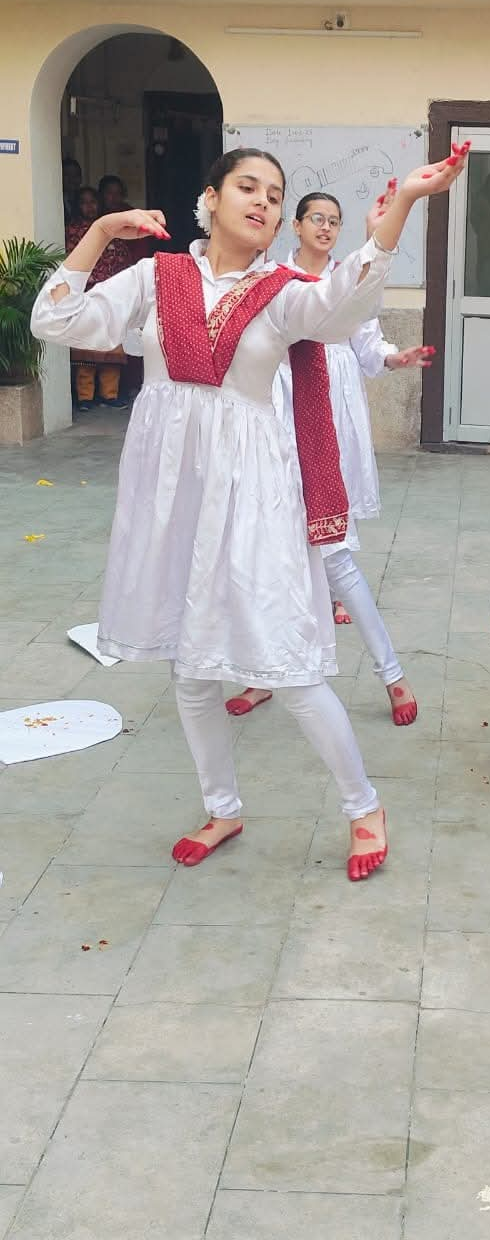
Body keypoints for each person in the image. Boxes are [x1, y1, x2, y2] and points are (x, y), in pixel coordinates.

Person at [32, 144, 467, 876]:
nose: (262, 202)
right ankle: (222, 810)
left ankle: (364, 806)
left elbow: (345, 305)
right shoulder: (155, 276)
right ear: (212, 196)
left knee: (289, 665)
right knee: (192, 670)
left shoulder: (286, 291)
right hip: (173, 496)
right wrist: (104, 231)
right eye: (247, 187)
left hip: (255, 496)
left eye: (274, 193)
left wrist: (404, 206)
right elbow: (58, 320)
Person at [224, 186, 433, 726]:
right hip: (272, 424)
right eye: (316, 218)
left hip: (326, 423)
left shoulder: (347, 280)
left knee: (335, 555)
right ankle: (261, 673)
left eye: (334, 221)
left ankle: (393, 675)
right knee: (264, 559)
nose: (324, 227)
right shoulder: (269, 281)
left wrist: (393, 356)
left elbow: (368, 344)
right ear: (295, 224)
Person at [65, 185, 133, 411]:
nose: (89, 206)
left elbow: (125, 263)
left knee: (110, 346)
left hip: (112, 296)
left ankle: (109, 394)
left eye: (92, 201)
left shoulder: (111, 229)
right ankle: (86, 397)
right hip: (84, 295)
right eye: (84, 202)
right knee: (86, 348)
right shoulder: (72, 231)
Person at [62, 156, 82, 222]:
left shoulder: (85, 199)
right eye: (67, 175)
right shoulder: (54, 200)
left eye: (75, 175)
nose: (72, 179)